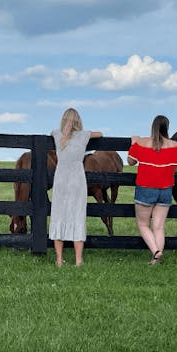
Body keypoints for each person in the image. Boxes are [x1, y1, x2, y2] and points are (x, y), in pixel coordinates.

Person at [48, 108, 102, 267]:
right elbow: (100, 134)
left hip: (61, 179)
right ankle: (78, 260)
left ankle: (59, 259)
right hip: (77, 180)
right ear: (78, 121)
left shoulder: (57, 134)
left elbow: (51, 131)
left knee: (59, 215)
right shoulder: (84, 135)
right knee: (77, 215)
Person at [127, 115, 177, 265]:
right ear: (167, 127)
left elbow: (130, 162)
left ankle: (156, 252)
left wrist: (134, 143)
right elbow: (176, 168)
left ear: (153, 126)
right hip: (165, 190)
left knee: (143, 225)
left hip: (145, 188)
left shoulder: (142, 143)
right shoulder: (175, 145)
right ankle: (156, 260)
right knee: (158, 226)